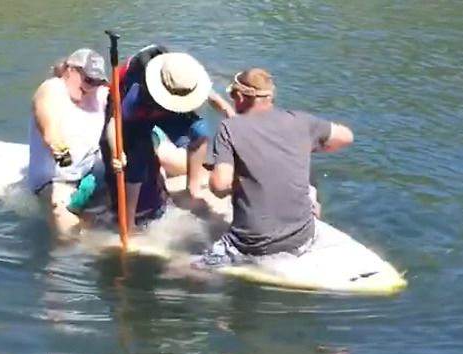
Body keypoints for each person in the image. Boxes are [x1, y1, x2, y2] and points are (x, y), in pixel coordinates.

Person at [193, 67, 353, 267]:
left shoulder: (229, 129)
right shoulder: (302, 121)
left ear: (241, 96)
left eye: (233, 95)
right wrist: (307, 147)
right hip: (302, 238)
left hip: (250, 245)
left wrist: (235, 177)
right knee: (309, 175)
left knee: (180, 268)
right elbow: (346, 136)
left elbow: (219, 187)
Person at [102, 47, 232, 231]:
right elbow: (114, 123)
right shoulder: (135, 91)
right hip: (137, 114)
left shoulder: (182, 72)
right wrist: (118, 152)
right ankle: (128, 223)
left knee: (200, 132)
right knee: (137, 156)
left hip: (167, 107)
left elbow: (208, 94)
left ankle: (192, 189)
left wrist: (228, 111)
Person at [27, 48, 109, 242]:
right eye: (88, 80)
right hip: (58, 179)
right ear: (70, 70)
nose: (92, 87)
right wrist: (63, 154)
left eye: (98, 81)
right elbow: (51, 133)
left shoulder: (98, 94)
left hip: (91, 172)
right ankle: (75, 247)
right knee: (60, 205)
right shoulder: (53, 89)